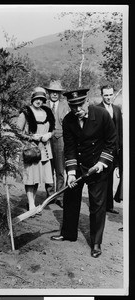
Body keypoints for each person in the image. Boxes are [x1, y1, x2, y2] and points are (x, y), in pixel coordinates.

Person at [50, 88, 116, 258]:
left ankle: (96, 242)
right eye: (73, 107)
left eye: (80, 105)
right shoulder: (68, 120)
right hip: (78, 165)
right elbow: (70, 147)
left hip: (98, 166)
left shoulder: (102, 115)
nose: (77, 110)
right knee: (71, 199)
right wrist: (71, 172)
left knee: (97, 204)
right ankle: (68, 233)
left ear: (87, 102)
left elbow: (111, 142)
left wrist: (102, 163)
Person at [17, 87, 55, 211]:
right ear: (32, 98)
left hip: (44, 149)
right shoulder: (25, 113)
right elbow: (17, 131)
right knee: (30, 177)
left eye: (41, 99)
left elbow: (52, 128)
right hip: (31, 149)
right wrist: (31, 136)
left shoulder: (47, 112)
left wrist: (49, 134)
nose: (39, 101)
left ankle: (32, 201)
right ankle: (31, 203)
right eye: (36, 98)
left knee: (38, 177)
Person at [97, 85, 123, 214]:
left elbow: (120, 131)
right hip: (101, 150)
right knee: (101, 178)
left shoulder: (117, 109)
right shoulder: (96, 109)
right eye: (106, 95)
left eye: (110, 94)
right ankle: (99, 205)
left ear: (113, 94)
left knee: (111, 177)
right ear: (102, 95)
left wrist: (120, 149)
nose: (108, 97)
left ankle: (109, 206)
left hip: (114, 149)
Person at [44, 80, 70, 208]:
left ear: (60, 94)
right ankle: (50, 195)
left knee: (60, 168)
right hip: (46, 139)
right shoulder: (44, 104)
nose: (54, 94)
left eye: (57, 92)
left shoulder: (65, 105)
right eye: (52, 92)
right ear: (48, 93)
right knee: (48, 168)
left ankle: (60, 196)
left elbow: (69, 122)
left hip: (60, 139)